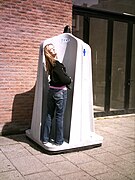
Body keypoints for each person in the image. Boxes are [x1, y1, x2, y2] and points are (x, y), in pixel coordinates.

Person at [42, 43, 72, 146]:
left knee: (49, 115)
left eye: (53, 48)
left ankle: (45, 138)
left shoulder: (49, 64)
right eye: (51, 49)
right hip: (60, 92)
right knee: (59, 117)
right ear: (49, 53)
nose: (53, 50)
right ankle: (59, 141)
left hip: (51, 91)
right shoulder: (57, 64)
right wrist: (69, 80)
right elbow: (64, 79)